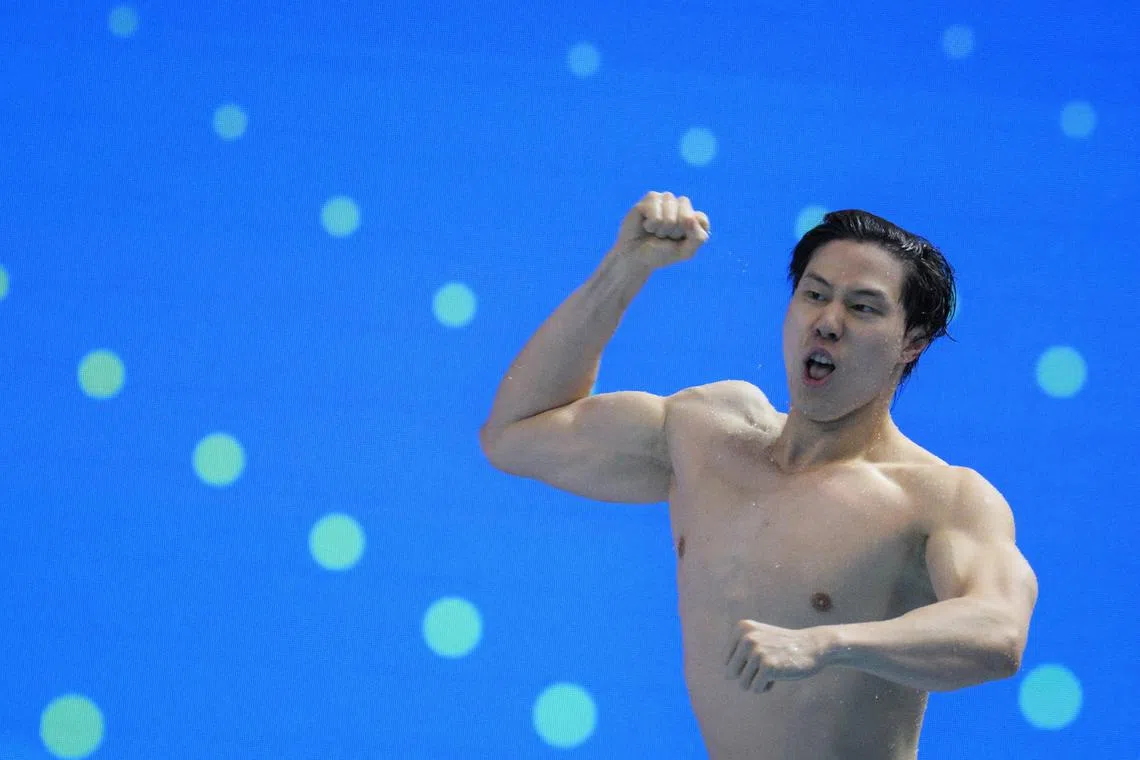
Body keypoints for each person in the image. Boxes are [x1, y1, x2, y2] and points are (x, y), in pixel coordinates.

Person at [478, 191, 1038, 759]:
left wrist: (829, 642)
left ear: (912, 343)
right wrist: (626, 267)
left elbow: (998, 631)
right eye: (814, 295)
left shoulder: (938, 498)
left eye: (863, 307)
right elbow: (516, 434)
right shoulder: (707, 436)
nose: (827, 322)